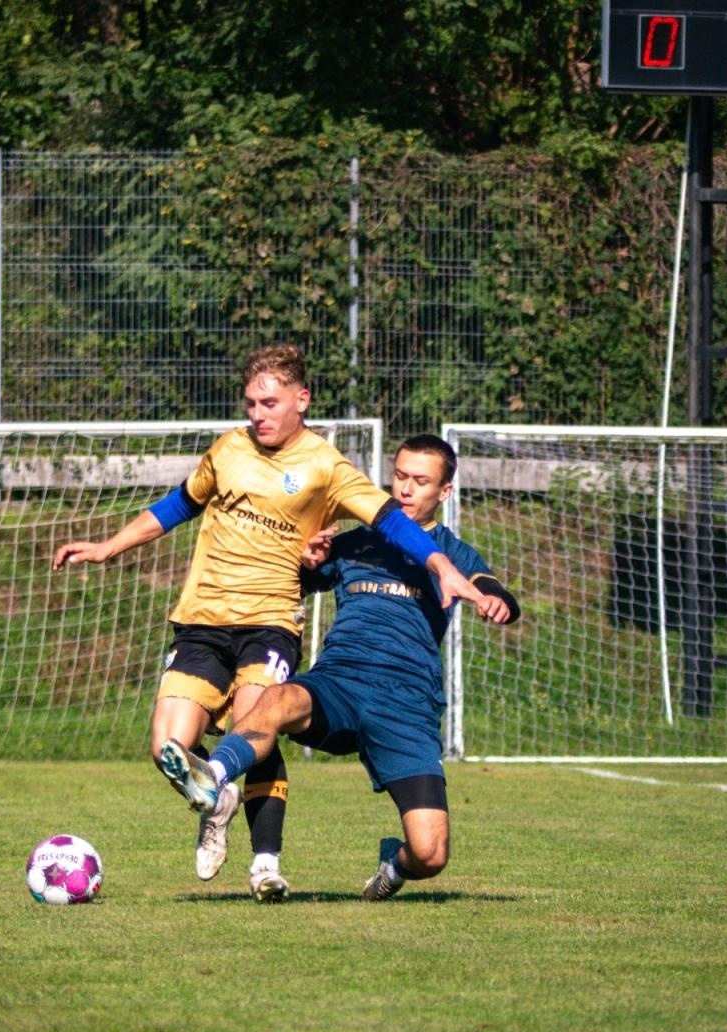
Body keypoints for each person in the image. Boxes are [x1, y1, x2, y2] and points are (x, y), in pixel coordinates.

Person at [52, 345, 497, 902]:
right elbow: (178, 506)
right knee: (167, 746)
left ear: (301, 399)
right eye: (250, 403)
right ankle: (218, 799)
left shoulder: (327, 467)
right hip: (203, 616)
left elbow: (390, 521)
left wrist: (441, 566)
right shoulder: (228, 449)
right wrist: (107, 546)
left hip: (270, 620)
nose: (257, 414)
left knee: (259, 720)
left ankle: (263, 860)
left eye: (269, 403)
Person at [157, 434, 520, 901]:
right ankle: (215, 777)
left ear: (445, 491)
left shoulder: (454, 553)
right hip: (339, 684)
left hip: (406, 706)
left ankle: (393, 865)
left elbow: (491, 586)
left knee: (430, 854)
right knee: (276, 698)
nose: (406, 488)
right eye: (400, 476)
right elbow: (296, 582)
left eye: (421, 481)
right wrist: (308, 559)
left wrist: (496, 602)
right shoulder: (356, 543)